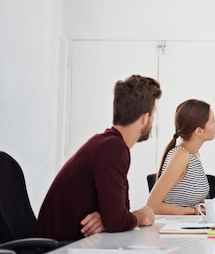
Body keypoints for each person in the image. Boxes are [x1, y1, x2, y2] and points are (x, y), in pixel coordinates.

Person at [36, 74, 161, 241]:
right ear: (145, 118)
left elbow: (119, 214)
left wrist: (109, 218)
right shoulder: (113, 149)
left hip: (73, 242)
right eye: (153, 114)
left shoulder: (108, 143)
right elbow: (118, 221)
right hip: (60, 247)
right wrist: (141, 216)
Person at [147, 99, 215, 214]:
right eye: (212, 121)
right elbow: (152, 206)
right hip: (176, 227)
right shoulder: (181, 156)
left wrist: (207, 206)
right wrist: (195, 211)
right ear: (199, 131)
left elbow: (188, 198)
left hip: (190, 225)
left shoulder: (194, 155)